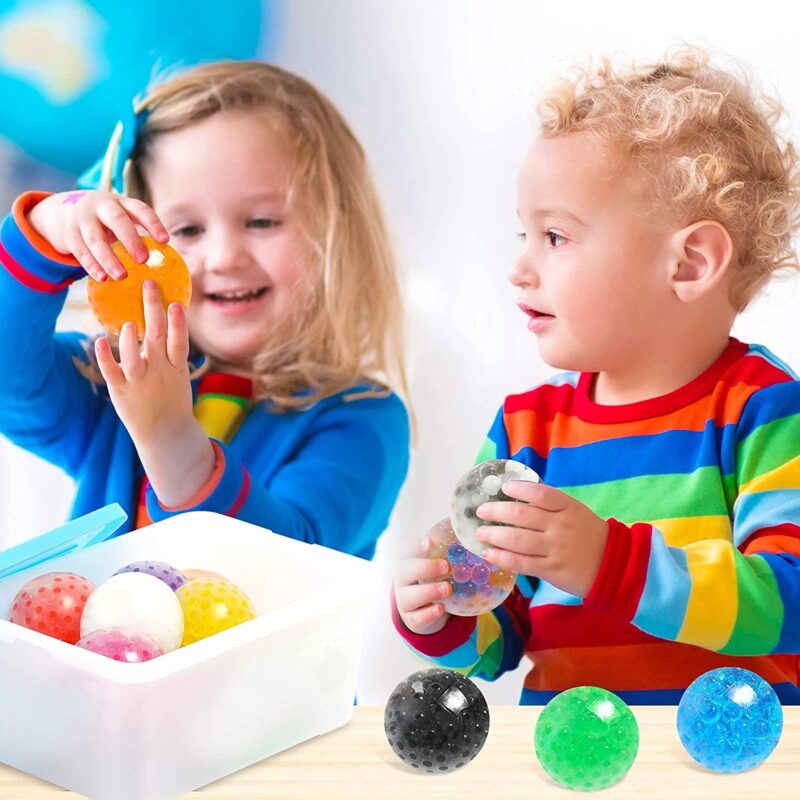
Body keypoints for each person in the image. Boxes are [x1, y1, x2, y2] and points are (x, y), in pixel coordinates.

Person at [393, 47, 800, 702]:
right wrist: (444, 612)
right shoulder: (527, 429)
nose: (520, 268)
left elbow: (787, 602)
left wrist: (608, 564)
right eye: (520, 235)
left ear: (691, 263)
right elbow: (507, 634)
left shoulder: (761, 410)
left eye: (555, 237)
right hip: (570, 764)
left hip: (731, 772)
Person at [0, 60, 410, 560]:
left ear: (335, 233)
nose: (223, 258)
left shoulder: (360, 418)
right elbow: (10, 383)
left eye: (260, 221)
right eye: (188, 231)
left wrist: (171, 438)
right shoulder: (115, 379)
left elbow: (289, 564)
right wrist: (44, 232)